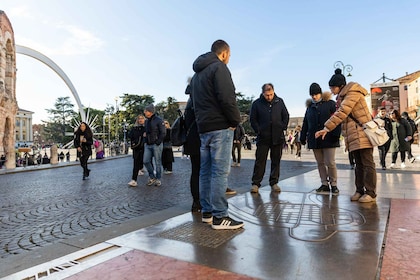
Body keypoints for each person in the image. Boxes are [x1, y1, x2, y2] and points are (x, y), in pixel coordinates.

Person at [191, 39, 244, 230]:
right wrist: (234, 122)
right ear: (224, 53)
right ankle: (220, 216)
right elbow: (228, 98)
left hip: (203, 128)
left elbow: (195, 104)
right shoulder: (219, 68)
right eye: (229, 55)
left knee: (204, 172)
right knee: (220, 172)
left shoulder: (197, 75)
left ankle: (207, 212)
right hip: (220, 127)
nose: (229, 59)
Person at [315, 68, 377, 203]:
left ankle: (371, 193)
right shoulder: (342, 97)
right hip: (353, 134)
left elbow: (342, 112)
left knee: (367, 163)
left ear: (340, 86)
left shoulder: (353, 93)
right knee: (358, 165)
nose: (331, 91)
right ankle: (360, 191)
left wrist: (326, 128)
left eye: (332, 88)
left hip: (362, 133)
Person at [300, 83, 341, 194]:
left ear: (320, 93)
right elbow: (305, 123)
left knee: (330, 162)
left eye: (316, 94)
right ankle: (324, 183)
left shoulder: (330, 104)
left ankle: (334, 184)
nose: (314, 97)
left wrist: (336, 135)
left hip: (329, 138)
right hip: (315, 140)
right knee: (320, 163)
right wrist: (302, 137)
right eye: (312, 94)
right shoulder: (309, 108)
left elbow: (337, 119)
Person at [250, 83, 290, 194]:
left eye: (271, 94)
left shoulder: (279, 101)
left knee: (276, 161)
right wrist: (258, 130)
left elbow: (286, 115)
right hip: (263, 137)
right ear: (263, 93)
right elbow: (253, 119)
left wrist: (282, 127)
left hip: (277, 137)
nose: (269, 97)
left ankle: (274, 182)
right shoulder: (257, 104)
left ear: (273, 91)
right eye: (267, 95)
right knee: (260, 161)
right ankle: (255, 183)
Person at [143, 104, 166, 187]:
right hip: (148, 144)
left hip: (156, 144)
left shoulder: (159, 120)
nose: (144, 112)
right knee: (145, 161)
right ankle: (152, 176)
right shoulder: (146, 121)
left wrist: (158, 141)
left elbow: (163, 132)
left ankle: (158, 179)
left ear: (150, 111)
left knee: (158, 162)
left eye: (146, 111)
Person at [127, 115, 146, 187]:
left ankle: (152, 176)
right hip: (137, 148)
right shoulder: (134, 128)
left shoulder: (146, 128)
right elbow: (130, 136)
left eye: (142, 118)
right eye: (139, 119)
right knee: (135, 164)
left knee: (147, 161)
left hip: (145, 147)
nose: (140, 120)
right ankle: (134, 180)